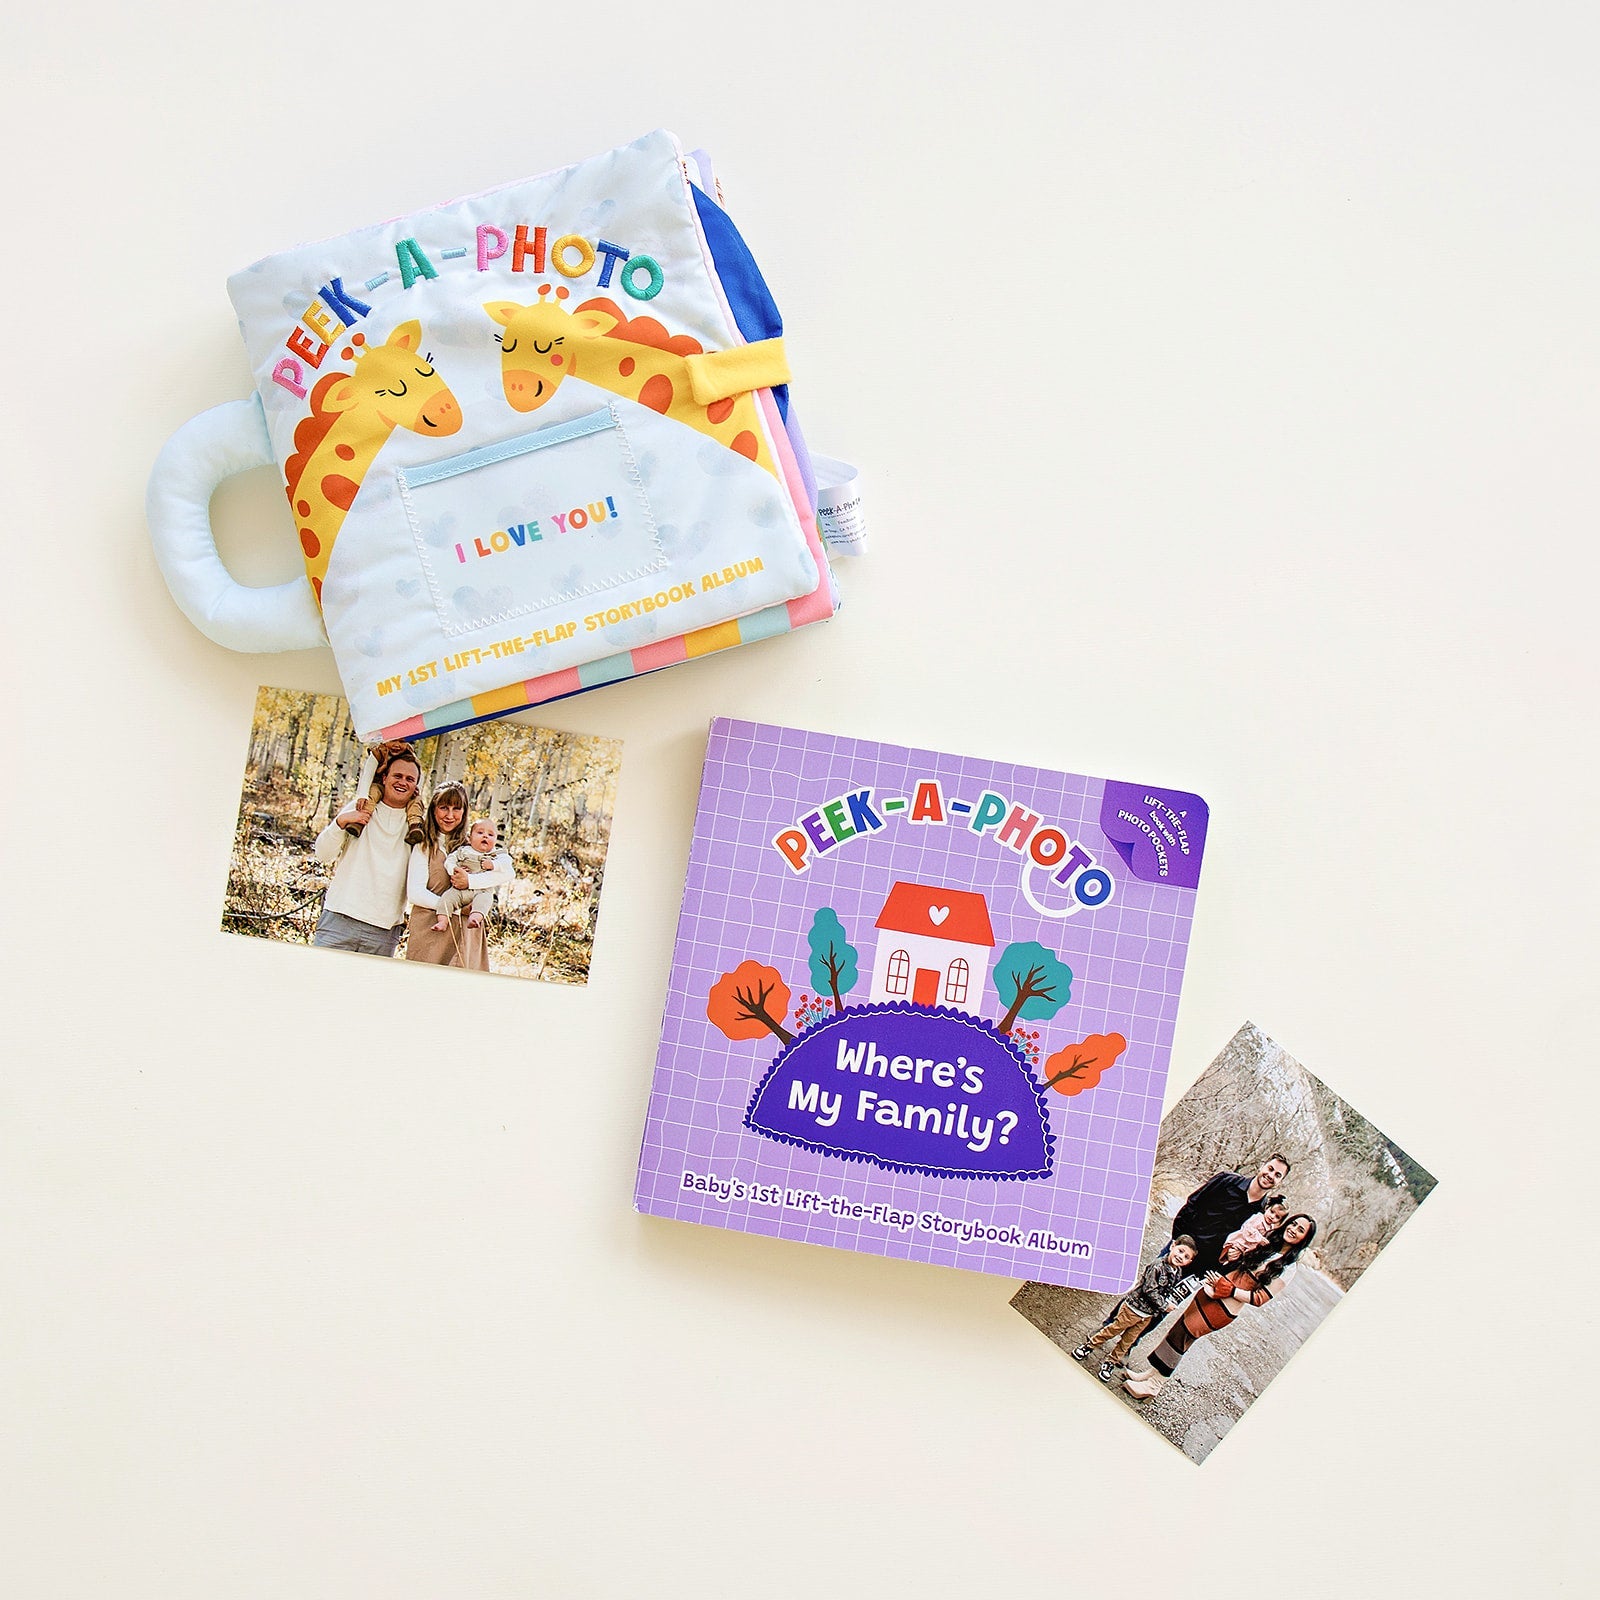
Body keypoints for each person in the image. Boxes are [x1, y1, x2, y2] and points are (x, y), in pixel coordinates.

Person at [1122, 1214, 1318, 1400]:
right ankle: (1152, 1374)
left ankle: (1154, 1385)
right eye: (1293, 1224)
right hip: (1211, 1292)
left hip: (1224, 1308)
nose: (1293, 1229)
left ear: (1304, 1239)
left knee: (1183, 1337)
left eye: (1300, 1230)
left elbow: (1260, 1299)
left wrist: (1231, 1290)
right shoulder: (1268, 1245)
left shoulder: (1288, 1268)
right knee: (1177, 1331)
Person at [309, 744, 423, 956]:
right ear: (384, 778)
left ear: (416, 786)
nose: (402, 782)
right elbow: (322, 854)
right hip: (340, 919)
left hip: (383, 931)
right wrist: (340, 823)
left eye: (410, 779)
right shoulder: (360, 807)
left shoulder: (418, 826)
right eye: (397, 776)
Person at [405, 785, 515, 971]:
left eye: (456, 808)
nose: (450, 815)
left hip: (467, 933)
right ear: (433, 809)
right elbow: (415, 893)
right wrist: (457, 909)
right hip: (431, 931)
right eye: (444, 808)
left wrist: (470, 881)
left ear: (464, 812)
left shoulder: (474, 845)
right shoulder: (425, 845)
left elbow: (507, 873)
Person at [1072, 1236, 1197, 1383]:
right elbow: (1149, 1290)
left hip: (1147, 1315)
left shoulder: (1177, 1272)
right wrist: (1164, 1305)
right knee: (1112, 1330)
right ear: (1172, 1246)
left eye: (1186, 1256)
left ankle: (1111, 1362)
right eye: (1180, 1251)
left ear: (1189, 1262)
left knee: (1128, 1341)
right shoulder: (1157, 1267)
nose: (1181, 1257)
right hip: (1133, 1309)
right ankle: (1089, 1346)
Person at [1167, 1154, 1292, 1274]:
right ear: (1262, 1166)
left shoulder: (1262, 1213)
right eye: (1270, 1169)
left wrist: (1233, 1253)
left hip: (1207, 1264)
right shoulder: (1227, 1180)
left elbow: (1246, 1242)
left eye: (1278, 1175)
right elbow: (1193, 1203)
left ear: (1280, 1182)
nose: (1271, 1175)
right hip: (1184, 1248)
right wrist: (1178, 1239)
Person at [431, 818, 512, 933]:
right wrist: (455, 869)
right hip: (459, 890)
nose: (485, 836)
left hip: (482, 891)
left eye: (490, 835)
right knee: (447, 898)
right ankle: (443, 921)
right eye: (480, 832)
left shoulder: (497, 854)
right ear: (469, 838)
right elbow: (450, 860)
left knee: (485, 901)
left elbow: (507, 863)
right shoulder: (463, 851)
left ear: (495, 840)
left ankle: (475, 918)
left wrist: (494, 864)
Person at [1220, 1195, 1289, 1262]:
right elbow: (1247, 1228)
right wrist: (1259, 1238)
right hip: (1240, 1241)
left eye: (1277, 1217)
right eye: (1272, 1212)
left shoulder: (1270, 1228)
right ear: (1266, 1208)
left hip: (1248, 1247)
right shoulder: (1258, 1218)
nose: (1272, 1216)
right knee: (1231, 1253)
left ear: (1280, 1221)